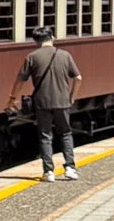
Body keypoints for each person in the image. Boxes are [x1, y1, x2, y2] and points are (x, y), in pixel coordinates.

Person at [13, 30, 83, 181]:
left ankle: (48, 172)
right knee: (65, 133)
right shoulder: (65, 55)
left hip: (42, 102)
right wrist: (72, 96)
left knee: (45, 136)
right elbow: (78, 78)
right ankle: (70, 168)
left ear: (36, 41)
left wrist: (13, 98)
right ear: (52, 38)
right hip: (63, 101)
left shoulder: (31, 57)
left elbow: (20, 80)